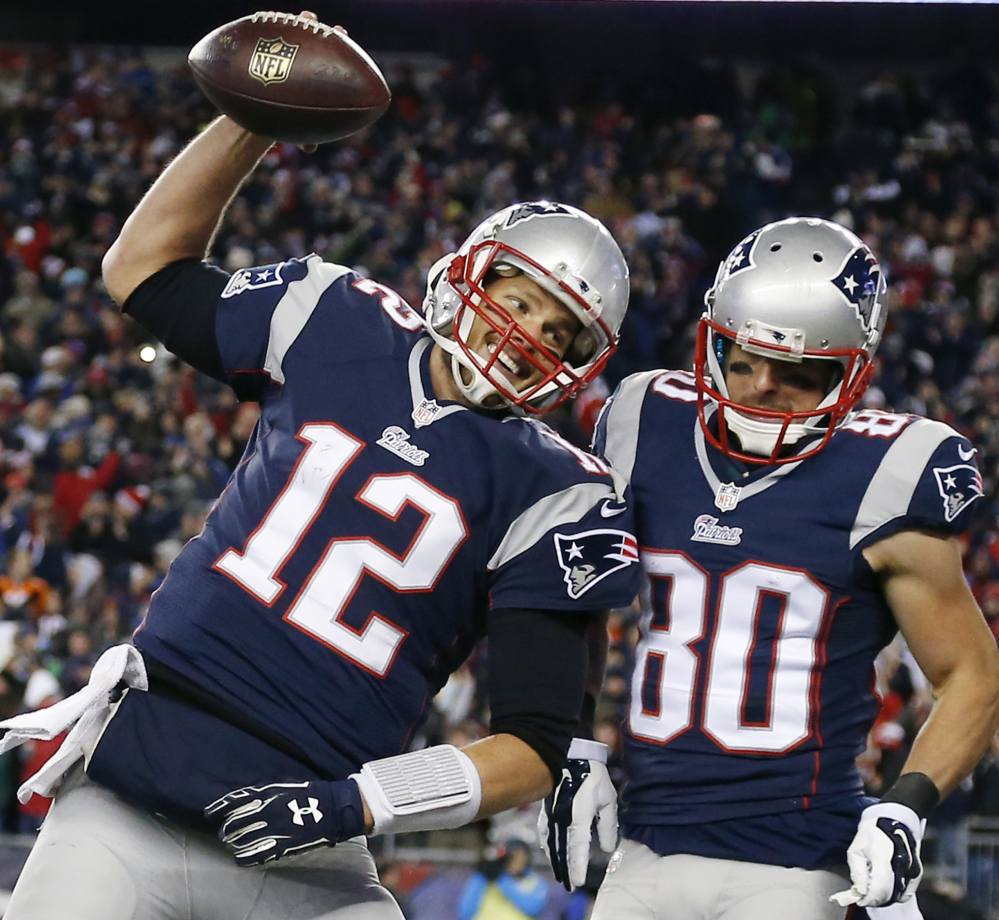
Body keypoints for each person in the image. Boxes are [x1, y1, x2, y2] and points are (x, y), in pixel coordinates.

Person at [0, 24, 640, 920]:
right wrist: (250, 121)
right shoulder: (338, 317)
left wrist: (359, 801)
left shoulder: (558, 490)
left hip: (311, 843)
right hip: (129, 794)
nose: (521, 331)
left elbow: (532, 745)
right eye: (516, 296)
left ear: (579, 360)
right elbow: (140, 269)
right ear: (469, 275)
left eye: (557, 330)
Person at [539, 217, 999, 919]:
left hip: (794, 862)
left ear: (850, 370)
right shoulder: (643, 419)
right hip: (644, 843)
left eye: (798, 372)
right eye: (742, 357)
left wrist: (906, 807)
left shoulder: (887, 473)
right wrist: (574, 740)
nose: (759, 385)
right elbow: (580, 592)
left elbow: (970, 674)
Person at [457, 838, 549, 920]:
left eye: (521, 858)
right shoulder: (485, 879)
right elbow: (464, 912)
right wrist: (481, 876)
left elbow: (533, 907)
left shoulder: (535, 881)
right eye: (512, 858)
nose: (516, 863)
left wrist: (501, 879)